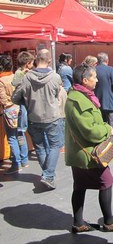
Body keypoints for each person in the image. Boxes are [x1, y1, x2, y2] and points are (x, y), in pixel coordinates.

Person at [65, 63, 113, 233]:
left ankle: (78, 223)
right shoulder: (79, 100)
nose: (97, 80)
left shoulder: (79, 96)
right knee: (106, 182)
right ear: (85, 80)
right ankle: (108, 222)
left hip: (79, 154)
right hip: (87, 154)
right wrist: (108, 129)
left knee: (80, 186)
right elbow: (90, 131)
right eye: (94, 77)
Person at [12, 49, 64, 190]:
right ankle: (48, 175)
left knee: (40, 147)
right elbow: (58, 95)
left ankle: (47, 174)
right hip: (52, 117)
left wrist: (28, 101)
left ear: (36, 59)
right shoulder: (55, 77)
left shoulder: (26, 77)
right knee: (55, 145)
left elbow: (15, 98)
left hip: (33, 117)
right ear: (49, 60)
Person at [0, 55, 29, 174]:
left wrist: (8, 105)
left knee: (11, 137)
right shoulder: (16, 76)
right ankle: (24, 159)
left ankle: (16, 163)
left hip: (9, 110)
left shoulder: (1, 80)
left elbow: (3, 99)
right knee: (20, 134)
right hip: (20, 108)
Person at [12, 51, 34, 153]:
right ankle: (24, 154)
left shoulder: (29, 72)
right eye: (32, 63)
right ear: (27, 63)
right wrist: (23, 74)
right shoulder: (19, 72)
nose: (33, 65)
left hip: (29, 102)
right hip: (22, 103)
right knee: (21, 129)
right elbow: (15, 83)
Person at [94, 52, 113, 139]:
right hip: (110, 102)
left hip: (97, 101)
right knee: (112, 124)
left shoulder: (94, 69)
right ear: (107, 60)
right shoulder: (110, 70)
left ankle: (102, 143)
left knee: (100, 124)